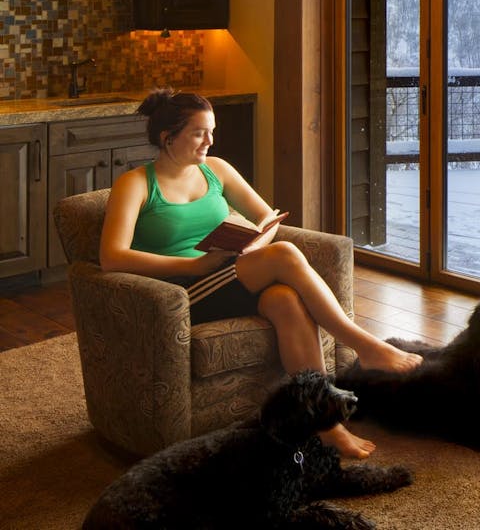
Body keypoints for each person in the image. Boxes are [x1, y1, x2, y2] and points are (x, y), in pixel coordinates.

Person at [100, 89, 421, 458]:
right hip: (181, 290)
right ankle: (364, 344)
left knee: (285, 299)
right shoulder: (137, 184)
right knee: (283, 253)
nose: (210, 141)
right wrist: (193, 265)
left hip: (229, 274)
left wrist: (253, 247)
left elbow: (267, 218)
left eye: (212, 131)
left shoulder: (216, 170)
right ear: (166, 137)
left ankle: (324, 421)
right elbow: (112, 257)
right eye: (199, 133)